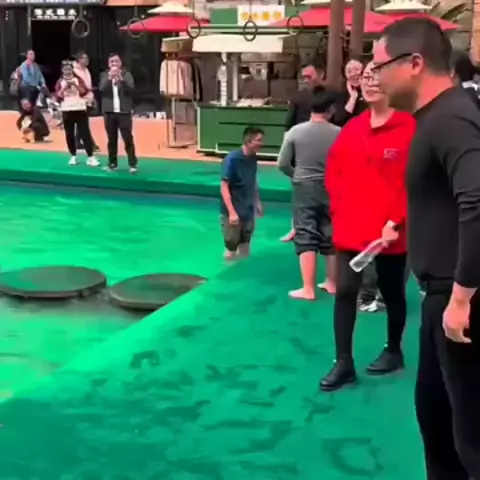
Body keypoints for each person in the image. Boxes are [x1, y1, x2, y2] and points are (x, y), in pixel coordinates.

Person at [373, 17, 480, 480]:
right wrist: (402, 223)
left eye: (380, 66)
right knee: (438, 422)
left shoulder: (450, 117)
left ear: (414, 63)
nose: (374, 77)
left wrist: (463, 296)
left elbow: (477, 198)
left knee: (470, 437)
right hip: (443, 297)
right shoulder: (437, 118)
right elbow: (448, 198)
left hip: (461, 300)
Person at [320, 61, 415, 392]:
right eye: (366, 76)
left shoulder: (409, 127)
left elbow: (413, 182)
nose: (371, 81)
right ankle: (343, 362)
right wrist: (338, 209)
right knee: (346, 291)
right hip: (352, 228)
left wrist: (395, 222)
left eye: (377, 74)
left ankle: (394, 349)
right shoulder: (352, 128)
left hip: (390, 233)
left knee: (392, 291)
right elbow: (334, 172)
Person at [277, 90, 340, 299]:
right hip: (331, 186)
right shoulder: (340, 133)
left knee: (305, 232)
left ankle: (308, 288)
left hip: (304, 186)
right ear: (331, 109)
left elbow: (282, 163)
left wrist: (297, 175)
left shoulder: (295, 132)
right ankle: (331, 282)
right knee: (330, 232)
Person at [281, 61, 326, 244]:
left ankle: (323, 227)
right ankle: (296, 227)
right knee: (299, 191)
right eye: (304, 76)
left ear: (320, 74)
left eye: (309, 76)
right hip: (301, 150)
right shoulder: (298, 97)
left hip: (324, 148)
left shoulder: (328, 96)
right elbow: (288, 125)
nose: (306, 80)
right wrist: (287, 152)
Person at [220, 127, 264, 260]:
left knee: (245, 244)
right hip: (233, 210)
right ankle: (228, 271)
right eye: (258, 140)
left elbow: (253, 180)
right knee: (231, 248)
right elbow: (224, 186)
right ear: (249, 141)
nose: (261, 143)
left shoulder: (253, 158)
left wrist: (257, 202)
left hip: (248, 210)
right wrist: (232, 212)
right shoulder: (231, 159)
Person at [55, 60, 99, 167]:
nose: (68, 71)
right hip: (67, 110)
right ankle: (73, 156)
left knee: (85, 133)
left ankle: (90, 157)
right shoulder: (60, 81)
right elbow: (58, 96)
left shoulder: (78, 79)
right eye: (65, 69)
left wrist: (75, 85)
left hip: (80, 109)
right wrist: (64, 88)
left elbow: (84, 92)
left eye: (69, 69)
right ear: (62, 70)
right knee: (69, 134)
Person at [99, 53, 138, 173]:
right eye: (112, 62)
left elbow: (131, 89)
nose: (114, 64)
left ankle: (132, 163)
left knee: (127, 138)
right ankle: (112, 163)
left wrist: (121, 79)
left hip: (124, 112)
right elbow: (101, 88)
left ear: (120, 63)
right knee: (111, 139)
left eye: (116, 61)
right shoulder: (104, 75)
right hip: (109, 112)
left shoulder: (127, 75)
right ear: (108, 64)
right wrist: (109, 78)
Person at [73, 52, 99, 151]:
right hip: (79, 100)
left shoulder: (87, 70)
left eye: (87, 58)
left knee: (82, 122)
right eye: (85, 58)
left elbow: (89, 85)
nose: (87, 60)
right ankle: (90, 143)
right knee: (83, 123)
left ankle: (77, 142)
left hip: (87, 99)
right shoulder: (75, 71)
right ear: (79, 60)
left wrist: (92, 97)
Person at [332, 57, 368, 127]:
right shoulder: (340, 95)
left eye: (357, 69)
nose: (353, 74)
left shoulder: (373, 92)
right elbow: (338, 121)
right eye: (349, 71)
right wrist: (352, 99)